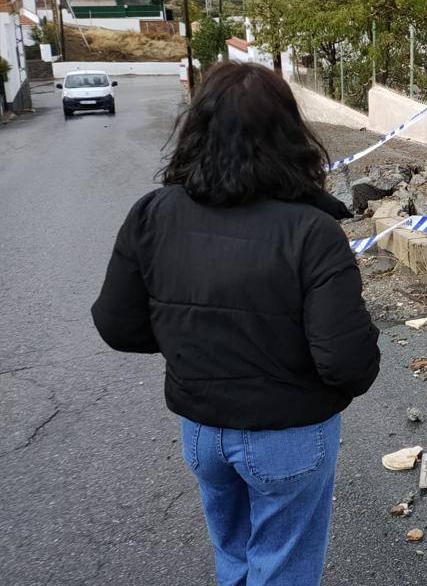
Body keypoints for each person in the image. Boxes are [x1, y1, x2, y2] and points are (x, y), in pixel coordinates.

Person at [92, 61, 380, 586]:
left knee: (236, 560)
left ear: (195, 130)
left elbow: (118, 325)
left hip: (202, 432)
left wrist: (191, 336)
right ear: (291, 134)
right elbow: (348, 364)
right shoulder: (312, 232)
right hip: (289, 437)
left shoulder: (152, 214)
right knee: (283, 568)